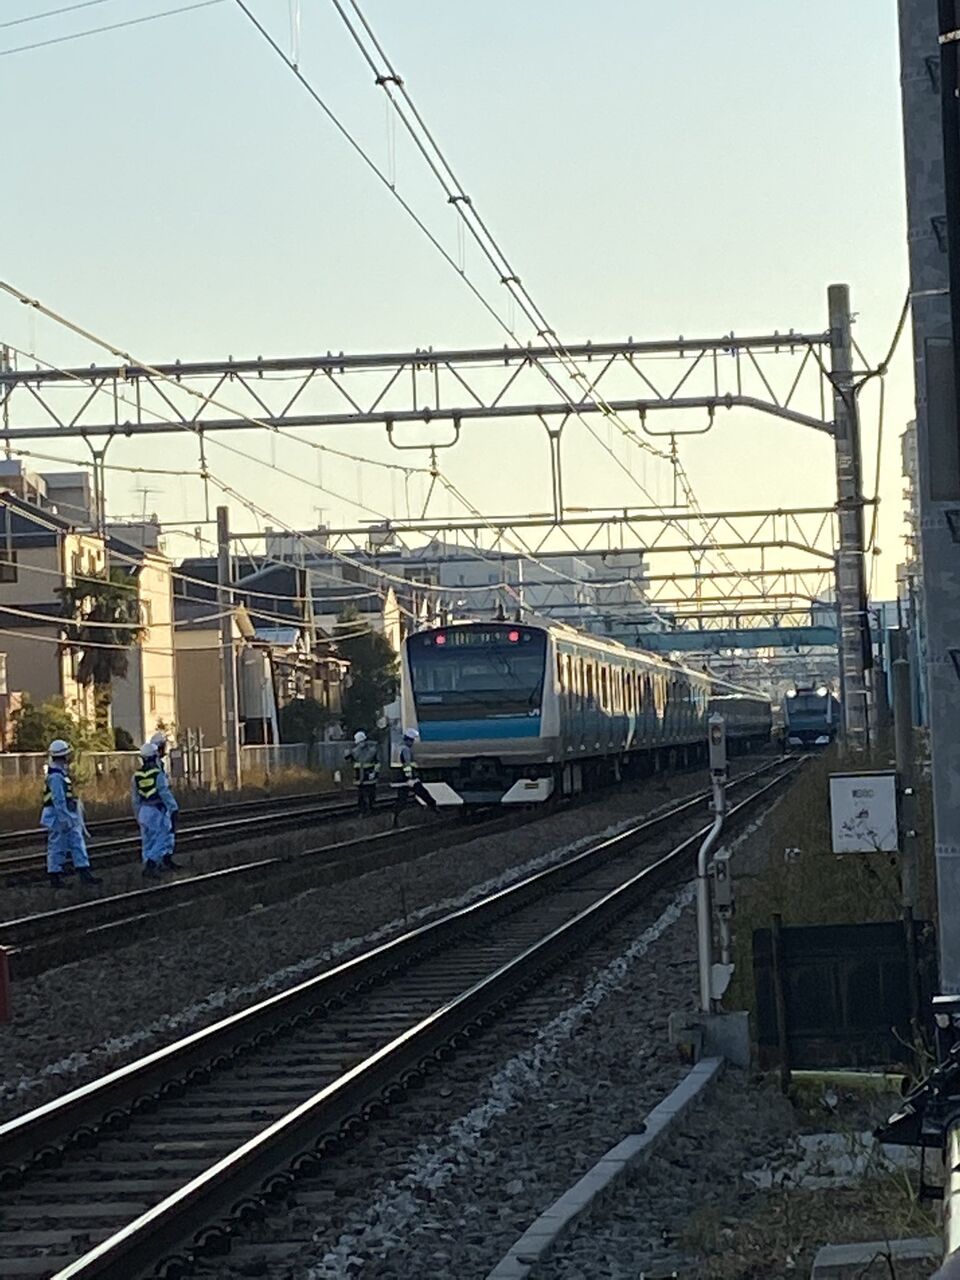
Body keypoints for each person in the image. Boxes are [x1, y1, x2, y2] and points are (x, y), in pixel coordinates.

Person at [41, 739, 100, 889]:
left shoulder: (60, 773)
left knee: (77, 843)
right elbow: (58, 800)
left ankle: (84, 872)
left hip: (66, 813)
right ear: (63, 756)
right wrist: (64, 818)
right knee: (57, 846)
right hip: (57, 815)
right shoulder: (55, 776)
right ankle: (55, 876)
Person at [132, 740, 180, 877]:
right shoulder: (157, 774)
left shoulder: (136, 775)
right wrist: (174, 808)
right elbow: (164, 792)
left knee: (147, 840)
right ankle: (151, 863)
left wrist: (137, 815)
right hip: (157, 810)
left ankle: (148, 862)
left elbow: (135, 798)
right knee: (163, 837)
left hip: (143, 810)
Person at [391, 728, 439, 828]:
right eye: (412, 740)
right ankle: (434, 810)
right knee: (424, 793)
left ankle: (395, 817)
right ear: (409, 740)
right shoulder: (406, 750)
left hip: (399, 779)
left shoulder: (398, 748)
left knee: (402, 800)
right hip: (408, 780)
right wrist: (410, 777)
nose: (412, 743)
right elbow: (407, 765)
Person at [345, 729, 380, 816]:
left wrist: (375, 772)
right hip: (360, 778)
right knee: (361, 796)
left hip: (369, 777)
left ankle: (370, 809)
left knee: (371, 794)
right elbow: (348, 760)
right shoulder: (354, 752)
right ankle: (363, 810)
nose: (361, 743)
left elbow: (377, 763)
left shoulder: (372, 751)